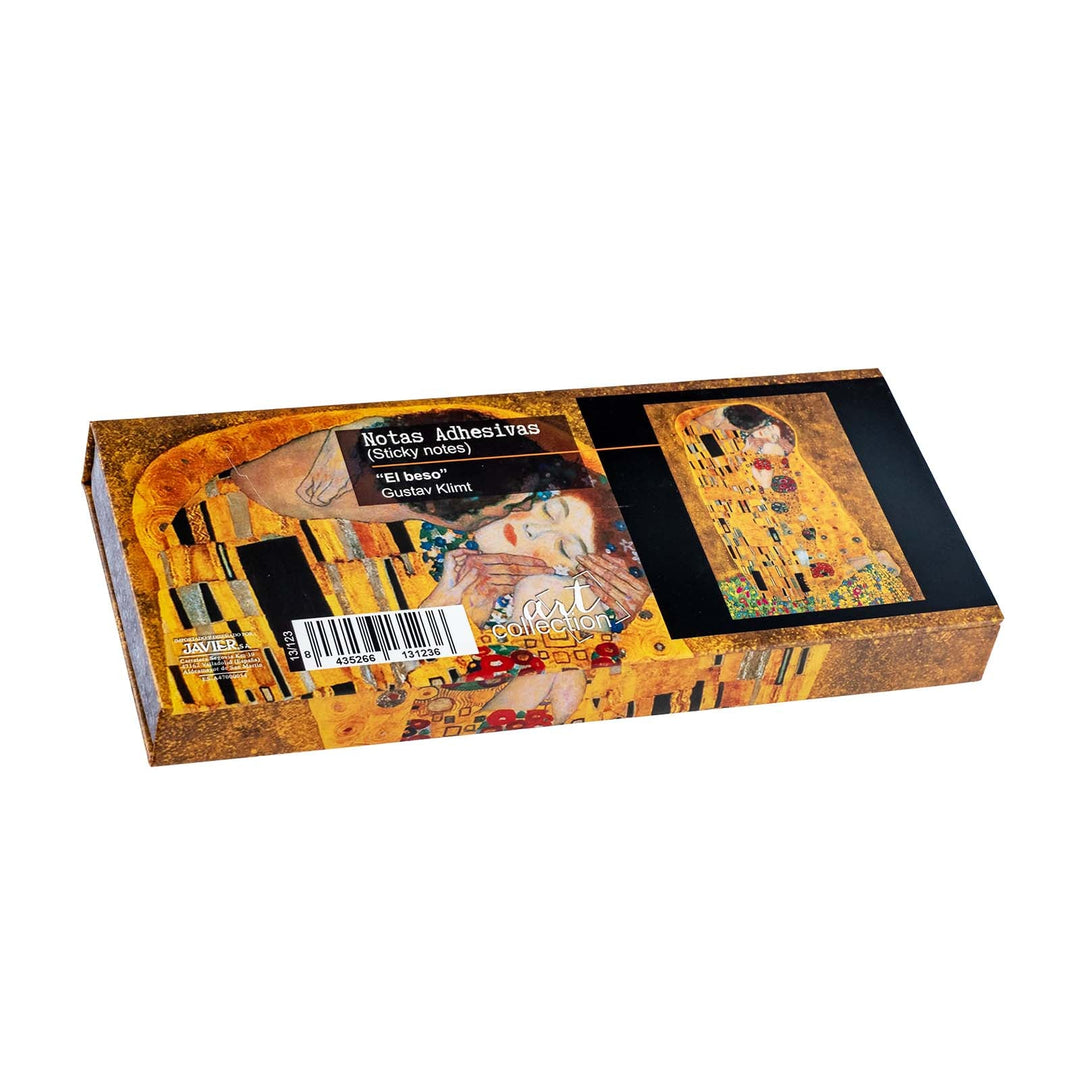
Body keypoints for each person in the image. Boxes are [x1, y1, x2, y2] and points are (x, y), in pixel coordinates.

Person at [679, 402, 913, 617]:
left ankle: (861, 564)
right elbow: (727, 472)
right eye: (751, 434)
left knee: (809, 554)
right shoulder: (731, 435)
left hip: (787, 505)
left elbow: (770, 474)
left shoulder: (767, 439)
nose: (753, 438)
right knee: (793, 556)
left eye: (754, 434)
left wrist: (755, 464)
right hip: (767, 507)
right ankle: (852, 566)